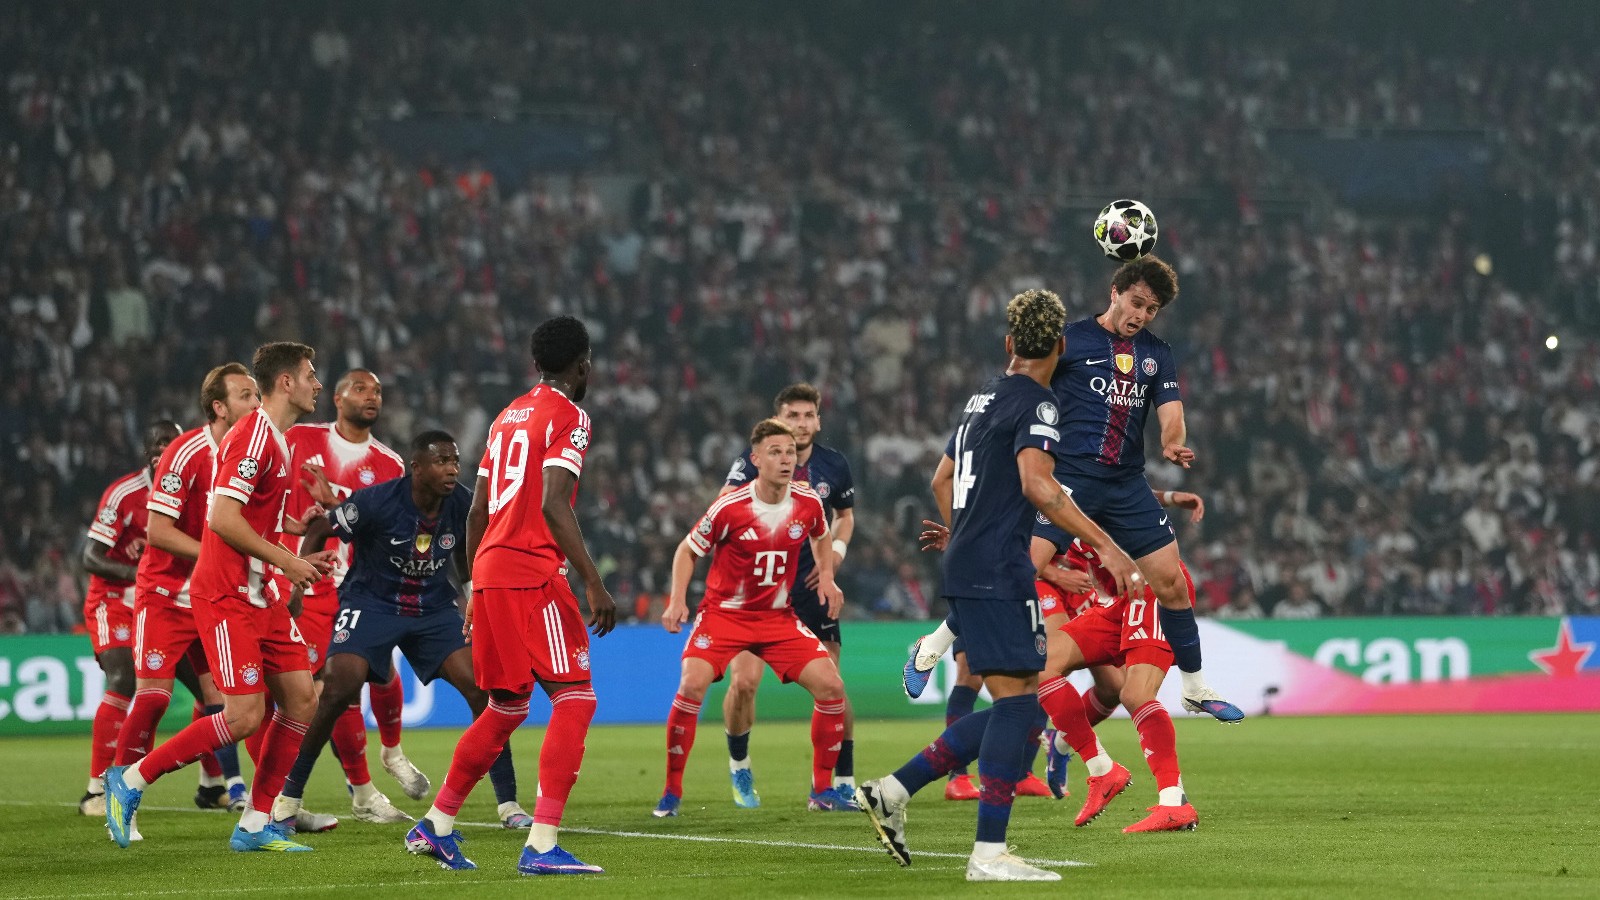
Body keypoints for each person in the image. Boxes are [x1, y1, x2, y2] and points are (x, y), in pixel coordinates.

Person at [855, 288, 1140, 883]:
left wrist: (967, 533)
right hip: (998, 569)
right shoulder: (1039, 404)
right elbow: (1040, 486)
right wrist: (1107, 546)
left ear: (1010, 344)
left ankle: (893, 790)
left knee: (1023, 704)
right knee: (1020, 708)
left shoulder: (979, 399)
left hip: (972, 564)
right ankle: (988, 854)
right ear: (1060, 347)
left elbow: (942, 477)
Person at [404, 315, 616, 876]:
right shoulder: (569, 415)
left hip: (493, 570)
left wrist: (474, 586)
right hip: (531, 572)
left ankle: (436, 825)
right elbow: (552, 502)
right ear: (582, 366)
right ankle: (542, 845)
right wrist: (592, 579)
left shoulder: (505, 418)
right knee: (575, 696)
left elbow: (476, 509)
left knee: (506, 707)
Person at [104, 342, 335, 852]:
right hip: (226, 594)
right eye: (311, 375)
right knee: (242, 716)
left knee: (302, 698)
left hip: (260, 594)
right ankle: (133, 778)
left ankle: (256, 822)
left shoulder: (281, 440)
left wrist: (290, 553)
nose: (318, 384)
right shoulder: (254, 437)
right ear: (286, 383)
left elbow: (252, 522)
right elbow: (222, 520)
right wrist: (286, 560)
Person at [275, 431, 525, 828]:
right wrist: (299, 583)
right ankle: (288, 799)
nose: (452, 469)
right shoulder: (378, 500)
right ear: (417, 468)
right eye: (442, 461)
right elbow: (321, 528)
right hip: (371, 602)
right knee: (339, 687)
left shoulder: (462, 502)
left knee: (484, 690)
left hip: (431, 607)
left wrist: (471, 592)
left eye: (455, 461)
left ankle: (509, 805)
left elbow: (464, 549)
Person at [1041, 256, 1241, 722]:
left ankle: (1193, 686)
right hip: (1071, 476)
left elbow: (1170, 410)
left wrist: (1173, 443)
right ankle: (936, 643)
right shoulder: (1070, 339)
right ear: (1115, 292)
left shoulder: (1157, 352)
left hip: (1126, 483)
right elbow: (1029, 388)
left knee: (1172, 583)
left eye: (1152, 310)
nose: (1142, 315)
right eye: (1136, 303)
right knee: (1022, 563)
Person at [653, 418, 853, 817]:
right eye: (775, 452)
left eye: (790, 453)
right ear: (756, 459)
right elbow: (686, 551)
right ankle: (672, 791)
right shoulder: (731, 507)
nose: (785, 459)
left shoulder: (809, 501)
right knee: (692, 685)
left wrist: (828, 578)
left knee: (832, 688)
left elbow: (821, 533)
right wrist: (677, 600)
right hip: (723, 616)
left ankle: (822, 789)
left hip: (777, 618)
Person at [107, 364, 261, 826]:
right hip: (165, 595)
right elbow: (158, 531)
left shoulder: (251, 451)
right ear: (219, 407)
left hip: (212, 598)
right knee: (153, 698)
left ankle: (241, 792)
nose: (256, 404)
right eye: (246, 396)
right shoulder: (187, 451)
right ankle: (118, 788)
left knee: (231, 703)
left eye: (257, 395)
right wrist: (215, 554)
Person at [280, 368, 435, 822]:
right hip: (303, 579)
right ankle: (277, 797)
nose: (372, 397)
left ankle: (382, 764)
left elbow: (399, 523)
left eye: (379, 391)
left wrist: (338, 499)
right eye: (361, 389)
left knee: (372, 676)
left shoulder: (388, 464)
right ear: (338, 398)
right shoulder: (298, 439)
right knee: (311, 694)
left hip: (358, 585)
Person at [718, 383, 857, 807]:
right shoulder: (751, 463)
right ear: (778, 420)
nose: (801, 423)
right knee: (743, 682)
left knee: (833, 684)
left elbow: (845, 516)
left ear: (818, 420)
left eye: (807, 415)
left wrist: (831, 557)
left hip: (810, 590)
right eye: (792, 416)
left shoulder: (834, 466)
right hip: (758, 591)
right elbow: (722, 505)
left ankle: (835, 783)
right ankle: (740, 768)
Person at [1033, 534, 1202, 833]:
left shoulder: (1069, 495)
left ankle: (1174, 804)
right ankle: (1102, 770)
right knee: (1041, 665)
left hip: (1152, 587)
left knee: (1135, 693)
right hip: (1114, 600)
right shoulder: (1052, 504)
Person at [80, 421, 181, 818]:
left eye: (170, 443)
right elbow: (89, 557)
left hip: (165, 603)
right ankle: (95, 789)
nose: (163, 449)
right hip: (115, 600)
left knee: (209, 690)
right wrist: (134, 574)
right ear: (146, 452)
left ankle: (216, 785)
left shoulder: (190, 489)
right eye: (156, 443)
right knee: (123, 679)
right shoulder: (125, 494)